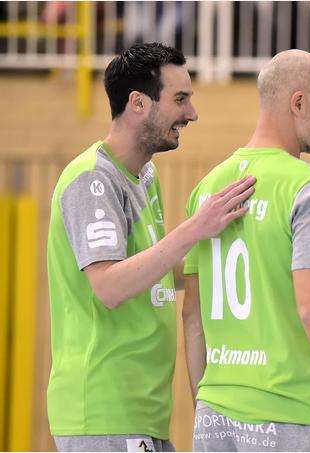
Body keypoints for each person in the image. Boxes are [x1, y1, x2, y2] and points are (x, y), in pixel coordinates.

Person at [46, 42, 255, 452]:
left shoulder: (143, 177)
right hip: (104, 410)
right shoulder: (91, 180)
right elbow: (109, 286)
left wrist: (242, 252)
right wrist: (195, 229)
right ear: (138, 103)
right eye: (181, 99)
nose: (192, 113)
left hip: (142, 411)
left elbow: (153, 270)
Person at [182, 50, 310, 452]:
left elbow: (193, 312)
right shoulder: (309, 187)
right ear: (298, 102)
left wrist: (206, 407)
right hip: (291, 411)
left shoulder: (207, 187)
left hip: (216, 414)